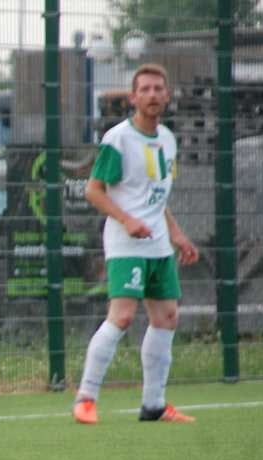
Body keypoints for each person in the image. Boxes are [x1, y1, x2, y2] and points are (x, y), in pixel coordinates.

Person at [72, 64, 199, 425]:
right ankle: (86, 397)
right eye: (145, 89)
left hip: (158, 245)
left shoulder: (168, 140)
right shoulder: (118, 139)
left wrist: (176, 233)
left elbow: (156, 199)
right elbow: (93, 190)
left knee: (167, 317)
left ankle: (154, 405)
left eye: (159, 88)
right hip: (125, 243)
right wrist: (127, 220)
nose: (153, 94)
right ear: (133, 97)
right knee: (123, 316)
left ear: (167, 95)